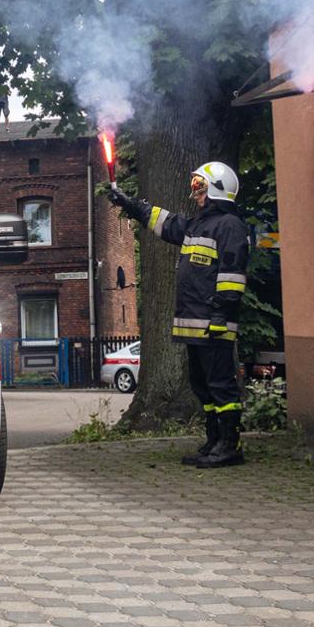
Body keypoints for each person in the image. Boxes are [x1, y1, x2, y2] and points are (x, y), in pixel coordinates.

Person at [106, 163, 252, 468]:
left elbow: (232, 275)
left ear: (217, 189)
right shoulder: (197, 225)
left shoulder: (230, 225)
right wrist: (129, 204)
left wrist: (220, 315)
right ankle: (214, 440)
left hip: (214, 323)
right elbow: (165, 222)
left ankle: (230, 445)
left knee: (221, 385)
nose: (194, 191)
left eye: (199, 185)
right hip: (196, 323)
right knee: (202, 385)